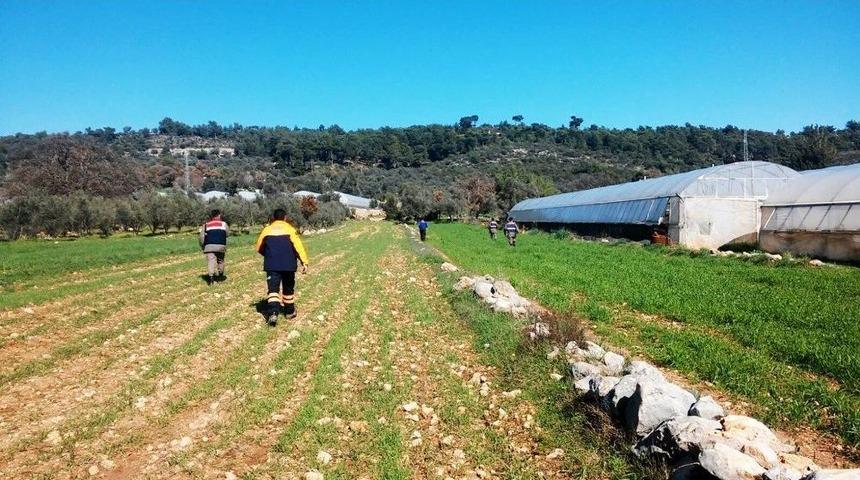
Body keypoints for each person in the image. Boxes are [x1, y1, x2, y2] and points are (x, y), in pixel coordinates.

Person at [255, 208, 309, 326]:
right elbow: (298, 247)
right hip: (289, 264)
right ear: (285, 218)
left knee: (273, 289)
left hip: (272, 264)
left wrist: (269, 254)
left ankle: (273, 312)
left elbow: (259, 247)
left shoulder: (267, 230)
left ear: (273, 218)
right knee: (288, 289)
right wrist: (304, 262)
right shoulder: (290, 229)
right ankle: (289, 312)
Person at [199, 209, 228, 285]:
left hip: (209, 246)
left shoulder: (206, 225)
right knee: (220, 260)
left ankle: (211, 279)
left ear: (211, 216)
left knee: (210, 261)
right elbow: (227, 234)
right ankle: (220, 276)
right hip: (221, 245)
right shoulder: (224, 224)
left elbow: (201, 237)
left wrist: (203, 245)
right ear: (219, 215)